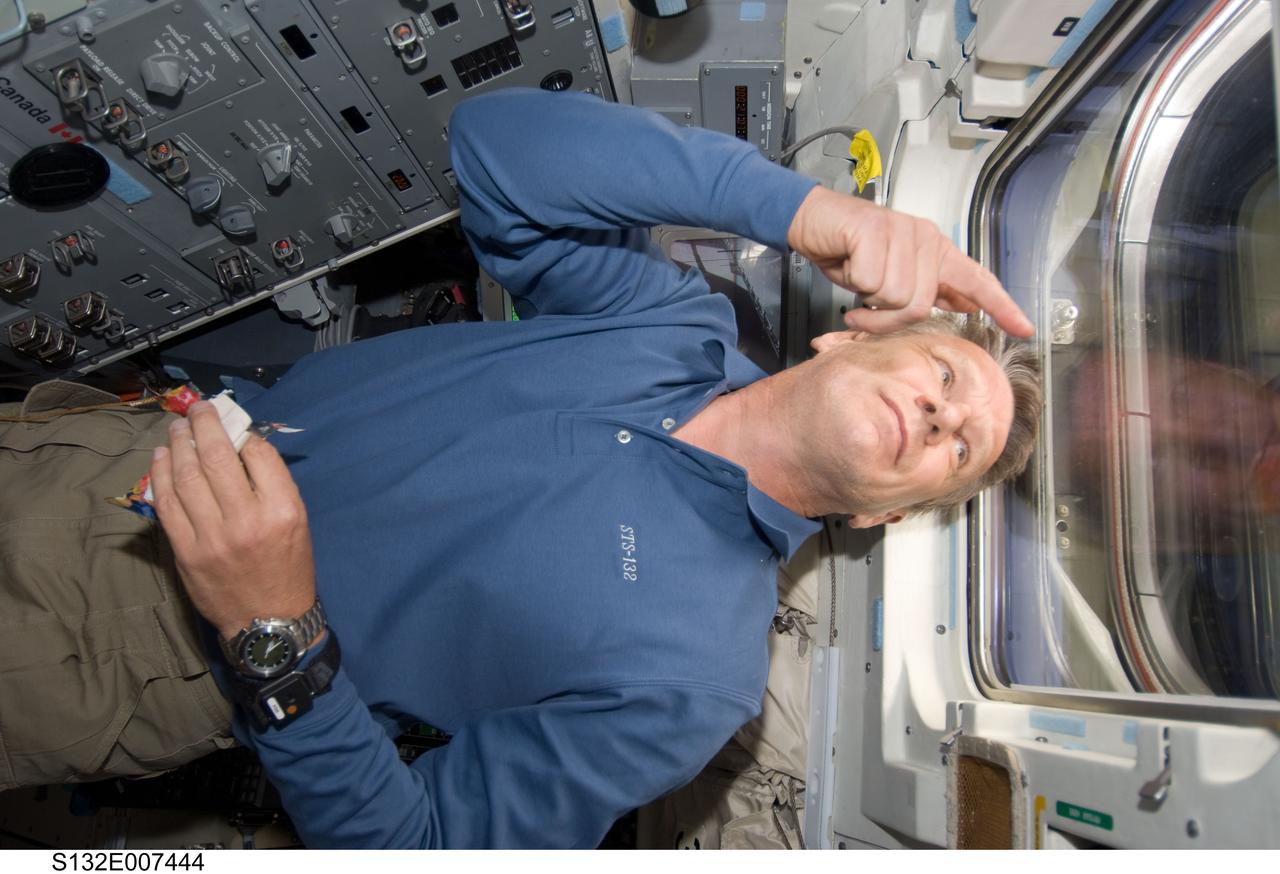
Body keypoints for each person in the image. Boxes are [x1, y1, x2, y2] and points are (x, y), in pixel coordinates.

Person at [0, 89, 1040, 847]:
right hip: (104, 448)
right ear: (848, 339)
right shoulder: (670, 318)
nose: (943, 414)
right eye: (946, 372)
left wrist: (274, 637)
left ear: (882, 518)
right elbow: (494, 149)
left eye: (958, 449)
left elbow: (415, 846)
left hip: (126, 648)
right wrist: (810, 212)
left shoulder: (694, 683)